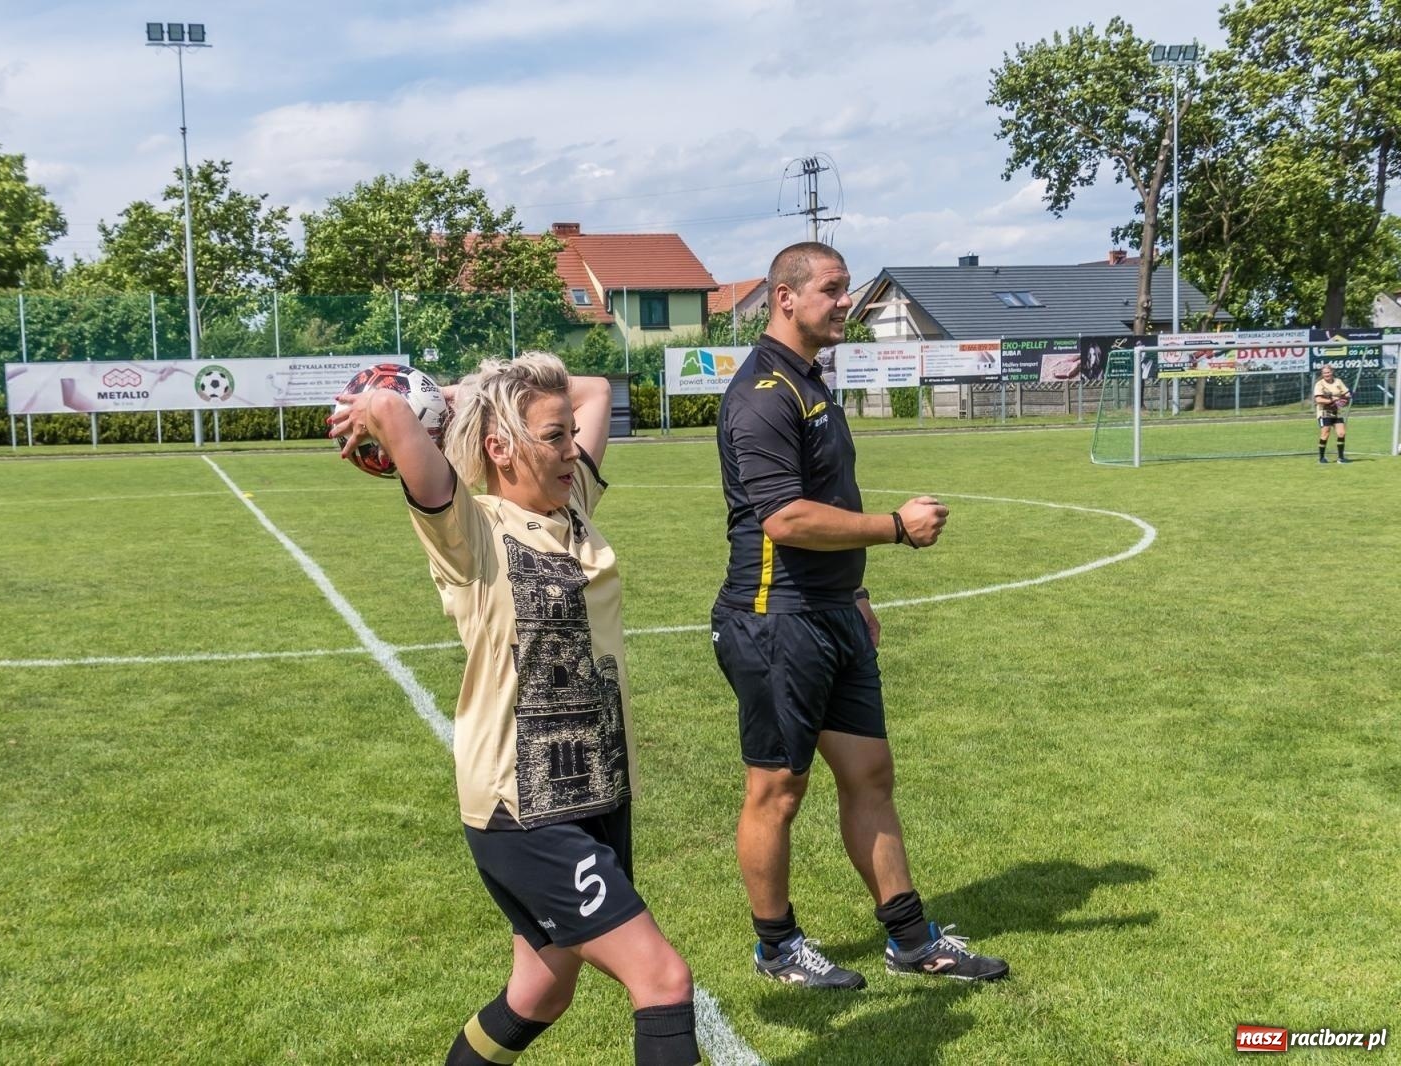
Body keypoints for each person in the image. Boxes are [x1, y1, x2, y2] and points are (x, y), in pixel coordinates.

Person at [328, 354, 701, 1066]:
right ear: (500, 448)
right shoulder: (470, 530)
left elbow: (592, 390)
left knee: (539, 991)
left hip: (597, 791)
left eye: (569, 437)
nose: (571, 451)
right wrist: (399, 406)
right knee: (661, 977)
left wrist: (482, 391)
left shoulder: (574, 504)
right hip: (522, 807)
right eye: (552, 438)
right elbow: (394, 417)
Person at [710, 241, 1008, 989]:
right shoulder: (763, 394)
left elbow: (830, 498)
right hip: (775, 618)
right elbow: (784, 518)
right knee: (777, 790)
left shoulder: (811, 383)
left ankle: (913, 940)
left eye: (846, 290)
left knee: (870, 772)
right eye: (834, 289)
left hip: (831, 612)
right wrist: (896, 527)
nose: (847, 302)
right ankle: (777, 947)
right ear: (785, 296)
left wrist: (858, 592)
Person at [1313, 364, 1352, 463]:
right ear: (1322, 374)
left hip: (1337, 411)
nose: (1327, 374)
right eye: (1325, 373)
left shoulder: (1338, 381)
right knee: (1325, 434)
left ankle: (1341, 458)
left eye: (1328, 372)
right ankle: (1321, 458)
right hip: (1325, 411)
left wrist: (1346, 397)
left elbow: (1346, 393)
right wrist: (1333, 400)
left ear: (1332, 372)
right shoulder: (1319, 384)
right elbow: (1318, 399)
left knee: (1341, 433)